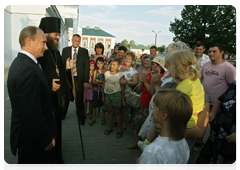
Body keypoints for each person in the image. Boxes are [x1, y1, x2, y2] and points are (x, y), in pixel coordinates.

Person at [139, 49, 205, 170]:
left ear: (175, 68)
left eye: (169, 66)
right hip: (189, 122)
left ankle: (146, 144)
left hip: (181, 124)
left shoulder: (183, 88)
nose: (167, 69)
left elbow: (166, 104)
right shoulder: (194, 80)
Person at [7, 26, 58, 169]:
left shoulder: (25, 63)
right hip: (33, 140)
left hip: (32, 138)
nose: (46, 47)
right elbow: (31, 112)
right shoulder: (26, 68)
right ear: (29, 41)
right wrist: (46, 139)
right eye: (43, 43)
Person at [38, 17, 72, 169]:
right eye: (55, 34)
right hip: (46, 99)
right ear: (45, 34)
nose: (58, 36)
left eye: (59, 33)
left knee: (57, 128)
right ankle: (50, 158)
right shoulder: (41, 52)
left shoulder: (56, 51)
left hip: (57, 98)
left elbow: (58, 71)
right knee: (49, 129)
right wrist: (48, 83)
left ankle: (58, 157)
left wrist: (66, 68)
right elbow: (36, 76)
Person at [134, 89, 193, 170]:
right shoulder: (183, 142)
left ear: (163, 115)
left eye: (154, 107)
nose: (152, 110)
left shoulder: (153, 152)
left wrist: (137, 165)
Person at [194, 81, 238, 170]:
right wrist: (213, 112)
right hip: (215, 141)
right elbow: (220, 99)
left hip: (232, 152)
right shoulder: (235, 85)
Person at [61, 34, 90, 126]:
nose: (76, 42)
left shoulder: (84, 51)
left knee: (79, 98)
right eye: (75, 40)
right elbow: (62, 64)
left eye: (78, 41)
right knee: (66, 97)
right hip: (68, 78)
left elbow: (87, 67)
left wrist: (86, 81)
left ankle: (81, 117)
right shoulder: (65, 50)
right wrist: (67, 67)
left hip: (79, 78)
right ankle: (62, 115)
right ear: (72, 40)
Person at [201, 43, 238, 108]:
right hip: (204, 100)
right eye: (209, 52)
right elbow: (202, 79)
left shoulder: (229, 68)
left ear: (222, 52)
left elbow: (232, 88)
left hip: (218, 104)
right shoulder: (205, 65)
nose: (211, 53)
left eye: (214, 51)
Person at [102, 58, 125, 138]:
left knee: (117, 113)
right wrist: (103, 95)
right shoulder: (106, 73)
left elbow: (122, 88)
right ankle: (110, 127)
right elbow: (104, 84)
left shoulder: (120, 75)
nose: (112, 66)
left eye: (114, 65)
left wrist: (122, 100)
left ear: (118, 66)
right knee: (110, 112)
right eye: (111, 64)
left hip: (116, 95)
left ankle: (119, 129)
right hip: (108, 95)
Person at [119, 51, 138, 131]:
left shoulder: (133, 71)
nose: (127, 59)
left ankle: (124, 122)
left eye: (129, 58)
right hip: (117, 92)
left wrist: (127, 82)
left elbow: (136, 83)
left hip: (127, 93)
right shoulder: (119, 67)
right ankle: (117, 121)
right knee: (117, 108)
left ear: (132, 60)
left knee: (125, 109)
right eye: (126, 58)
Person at [90, 57, 107, 125]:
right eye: (98, 63)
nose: (99, 65)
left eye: (101, 63)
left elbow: (105, 82)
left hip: (103, 91)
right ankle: (94, 118)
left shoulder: (106, 71)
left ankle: (103, 117)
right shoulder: (95, 71)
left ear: (103, 63)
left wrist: (98, 81)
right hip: (95, 90)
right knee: (94, 105)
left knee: (102, 104)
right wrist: (101, 81)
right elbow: (93, 82)